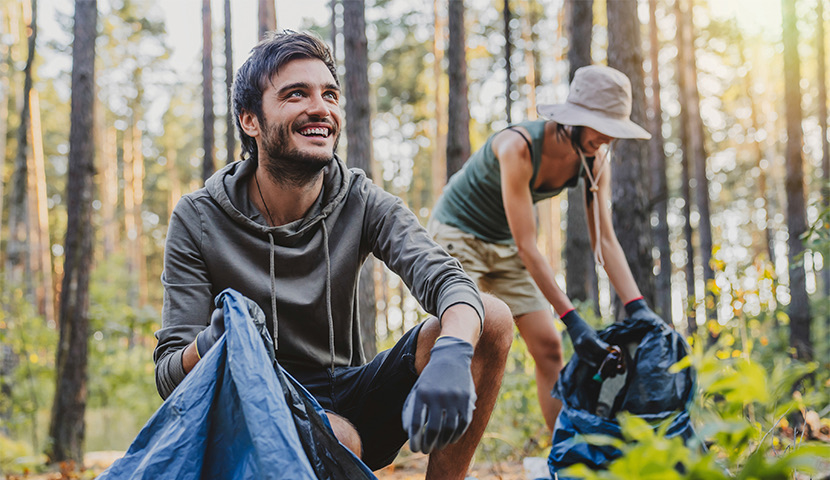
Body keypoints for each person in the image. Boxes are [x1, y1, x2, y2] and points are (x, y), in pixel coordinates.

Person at [153, 31, 513, 479]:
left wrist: (453, 352)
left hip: (351, 393)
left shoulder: (360, 198)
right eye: (295, 94)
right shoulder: (198, 217)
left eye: (329, 94)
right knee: (339, 437)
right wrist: (213, 343)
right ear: (250, 120)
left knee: (490, 317)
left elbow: (447, 280)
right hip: (254, 409)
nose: (321, 108)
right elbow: (170, 377)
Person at [429, 65, 652, 431]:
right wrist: (573, 320)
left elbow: (606, 241)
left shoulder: (595, 159)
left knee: (549, 346)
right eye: (603, 127)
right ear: (575, 119)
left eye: (615, 130)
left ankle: (560, 457)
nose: (608, 139)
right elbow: (528, 245)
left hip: (505, 244)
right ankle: (445, 447)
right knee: (467, 339)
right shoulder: (517, 147)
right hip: (458, 234)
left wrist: (637, 307)